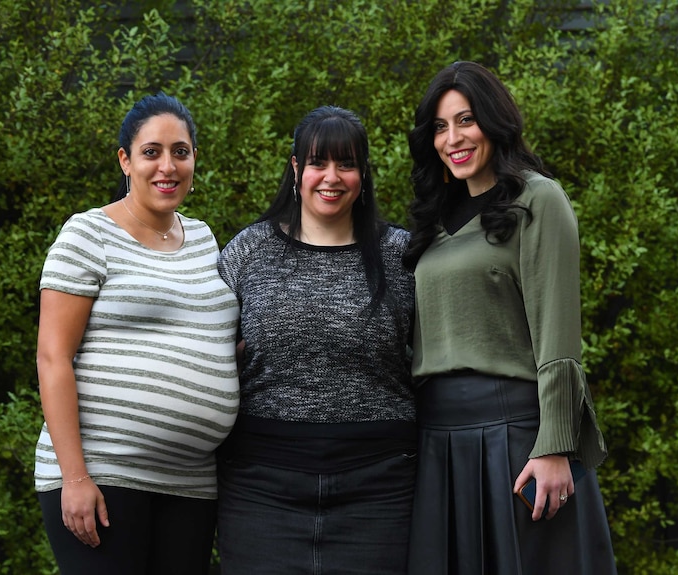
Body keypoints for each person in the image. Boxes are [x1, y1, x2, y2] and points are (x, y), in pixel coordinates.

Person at [403, 61, 618, 574]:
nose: (451, 138)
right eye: (439, 126)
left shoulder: (539, 199)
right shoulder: (430, 224)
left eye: (465, 120)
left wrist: (556, 446)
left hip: (518, 438)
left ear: (495, 122)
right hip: (437, 441)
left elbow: (558, 333)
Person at [34, 92, 239, 575]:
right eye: (152, 152)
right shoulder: (88, 235)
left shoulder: (205, 239)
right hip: (105, 476)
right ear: (126, 160)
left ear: (194, 159)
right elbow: (52, 357)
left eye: (180, 152)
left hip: (191, 485)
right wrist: (75, 477)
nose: (167, 166)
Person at [215, 106, 417, 574]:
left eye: (346, 164)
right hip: (261, 483)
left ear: (364, 174)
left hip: (381, 485)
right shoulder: (249, 251)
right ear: (295, 170)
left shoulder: (402, 257)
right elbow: (206, 354)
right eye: (317, 163)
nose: (331, 177)